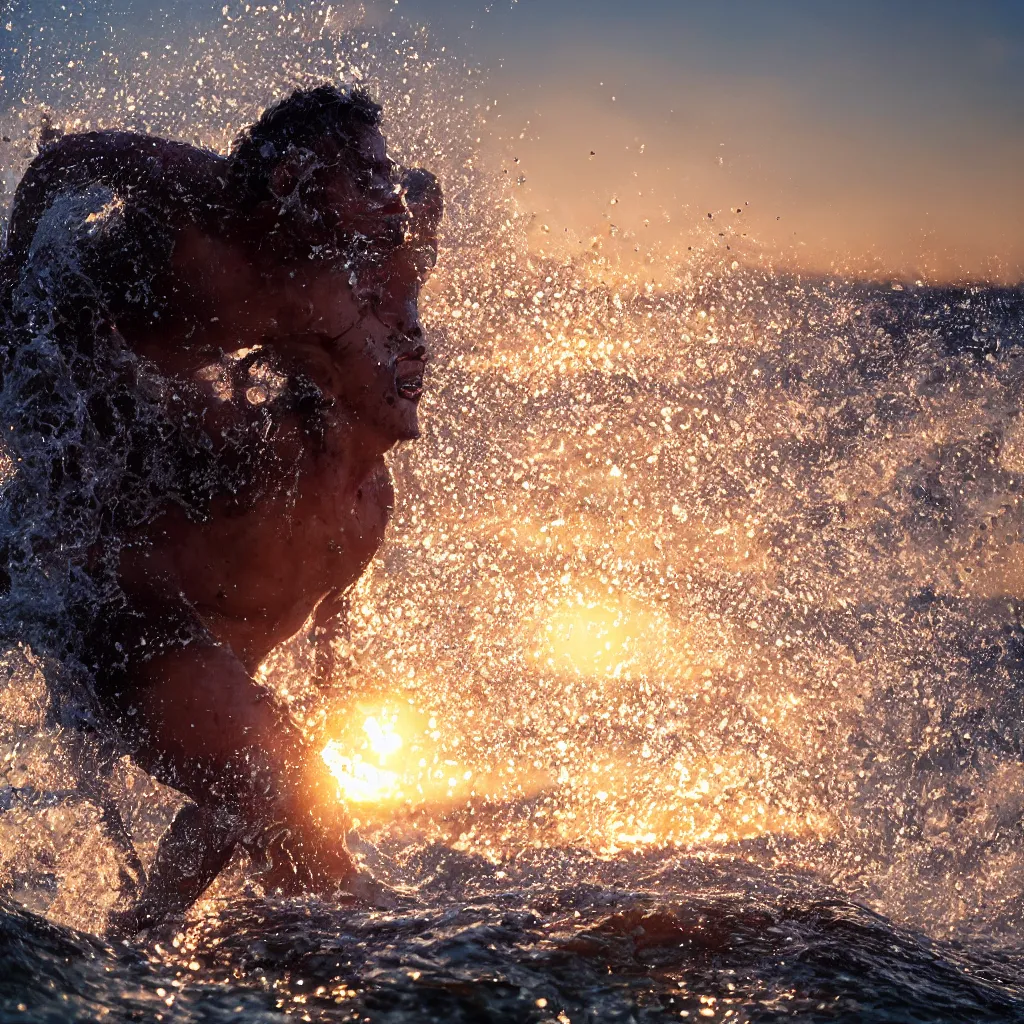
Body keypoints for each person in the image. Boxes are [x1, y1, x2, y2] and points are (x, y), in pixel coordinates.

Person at [0, 84, 442, 932]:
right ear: (297, 176)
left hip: (133, 469)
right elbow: (65, 160)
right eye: (370, 178)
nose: (387, 199)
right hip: (59, 349)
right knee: (277, 784)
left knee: (274, 780)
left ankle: (150, 937)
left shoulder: (329, 297)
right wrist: (20, 286)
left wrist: (413, 214)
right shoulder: (209, 199)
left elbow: (405, 274)